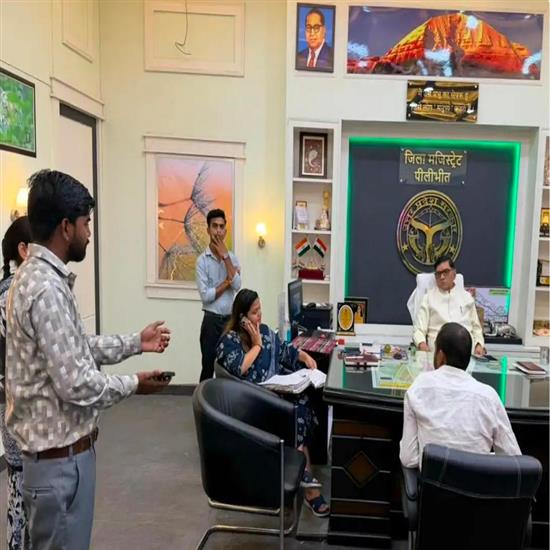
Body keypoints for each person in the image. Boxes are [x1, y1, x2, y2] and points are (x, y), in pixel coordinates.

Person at [5, 170, 172, 550]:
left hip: (60, 463)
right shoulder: (45, 289)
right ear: (66, 227)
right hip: (57, 467)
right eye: (86, 223)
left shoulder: (39, 278)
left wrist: (135, 343)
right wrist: (135, 384)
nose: (89, 233)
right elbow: (76, 382)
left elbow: (75, 347)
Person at [216, 289, 330, 517]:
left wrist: (304, 356)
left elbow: (285, 350)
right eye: (254, 312)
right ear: (242, 317)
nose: (260, 316)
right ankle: (306, 483)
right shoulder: (229, 341)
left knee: (303, 402)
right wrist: (257, 344)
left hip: (276, 394)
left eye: (260, 310)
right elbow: (241, 367)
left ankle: (302, 472)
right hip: (252, 404)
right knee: (295, 413)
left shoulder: (266, 332)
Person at [400, 322, 521, 469]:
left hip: (432, 483)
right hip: (477, 482)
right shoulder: (489, 397)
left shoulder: (419, 387)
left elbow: (408, 459)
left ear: (440, 355)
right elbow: (513, 459)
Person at [0, 216, 32, 549]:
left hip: (9, 407)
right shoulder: (15, 296)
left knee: (17, 489)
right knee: (25, 491)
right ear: (23, 250)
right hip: (21, 409)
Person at [196, 208, 241, 382]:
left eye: (221, 227)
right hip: (211, 321)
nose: (218, 231)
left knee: (229, 368)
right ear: (208, 230)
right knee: (207, 367)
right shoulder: (202, 261)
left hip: (230, 321)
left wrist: (226, 257)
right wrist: (227, 282)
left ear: (225, 231)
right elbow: (206, 296)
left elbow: (237, 285)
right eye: (214, 226)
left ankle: (225, 399)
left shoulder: (232, 258)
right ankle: (202, 399)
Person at [413, 254, 485, 354]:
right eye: (438, 274)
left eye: (445, 272)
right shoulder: (428, 298)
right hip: (438, 354)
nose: (442, 277)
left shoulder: (467, 297)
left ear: (454, 274)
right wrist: (422, 345)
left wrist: (479, 345)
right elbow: (419, 330)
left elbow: (476, 328)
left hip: (466, 354)